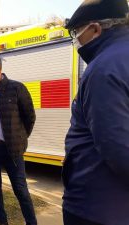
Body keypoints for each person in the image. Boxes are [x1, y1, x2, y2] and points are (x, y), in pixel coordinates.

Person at [63, 1, 129, 225]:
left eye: (76, 31)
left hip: (96, 208)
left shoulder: (104, 68)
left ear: (95, 29)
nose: (76, 39)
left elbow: (118, 149)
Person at [0, 53, 37, 225]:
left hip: (12, 149)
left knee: (21, 190)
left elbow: (30, 117)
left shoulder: (16, 88)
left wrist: (20, 138)